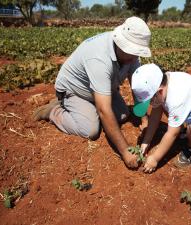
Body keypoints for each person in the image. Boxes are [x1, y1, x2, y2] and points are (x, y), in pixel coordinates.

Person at [33, 17, 152, 169]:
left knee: (122, 115)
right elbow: (104, 111)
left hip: (102, 88)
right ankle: (53, 110)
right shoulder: (99, 58)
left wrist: (144, 119)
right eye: (133, 52)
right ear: (121, 43)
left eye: (137, 52)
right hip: (75, 91)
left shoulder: (130, 55)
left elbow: (137, 85)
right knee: (90, 129)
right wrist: (126, 153)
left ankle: (93, 105)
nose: (136, 57)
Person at [131, 64, 191, 173]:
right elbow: (155, 115)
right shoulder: (162, 85)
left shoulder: (176, 99)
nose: (150, 104)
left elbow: (172, 133)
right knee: (161, 105)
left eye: (149, 101)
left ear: (159, 91)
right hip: (188, 103)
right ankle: (184, 129)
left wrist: (155, 158)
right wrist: (146, 141)